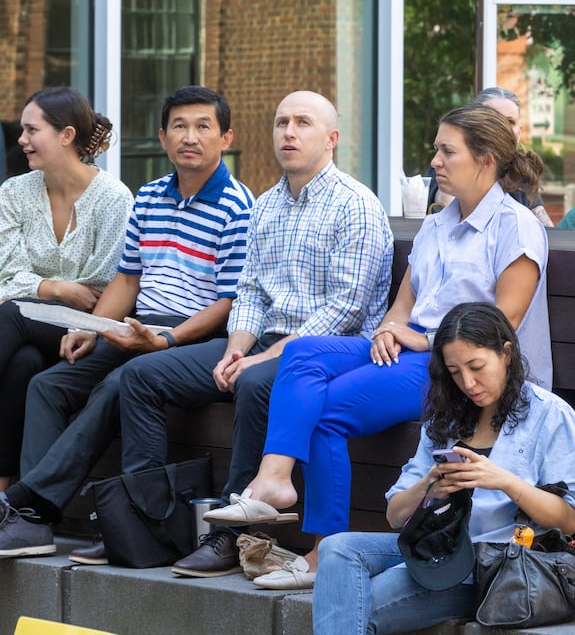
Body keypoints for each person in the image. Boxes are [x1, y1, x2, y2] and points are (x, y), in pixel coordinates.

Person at [206, 102, 550, 589]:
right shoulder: (435, 224)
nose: (434, 161)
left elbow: (502, 326)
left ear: (486, 159)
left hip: (458, 367)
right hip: (409, 353)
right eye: (436, 150)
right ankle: (274, 479)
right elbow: (403, 303)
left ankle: (325, 551)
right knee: (301, 353)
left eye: (447, 152)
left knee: (327, 413)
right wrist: (390, 329)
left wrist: (425, 339)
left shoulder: (516, 226)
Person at [111, 90, 393, 580]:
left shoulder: (356, 206)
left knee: (256, 383)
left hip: (336, 353)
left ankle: (238, 533)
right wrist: (237, 348)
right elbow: (250, 293)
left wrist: (258, 361)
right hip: (261, 345)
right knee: (140, 376)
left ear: (331, 139)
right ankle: (148, 523)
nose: (289, 132)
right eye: (282, 122)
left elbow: (344, 310)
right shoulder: (265, 206)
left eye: (303, 123)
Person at [0, 87, 254, 561]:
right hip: (134, 327)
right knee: (48, 385)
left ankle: (28, 506)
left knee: (121, 382)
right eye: (179, 126)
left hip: (194, 335)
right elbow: (128, 277)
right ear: (162, 137)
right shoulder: (151, 195)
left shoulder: (239, 207)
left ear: (226, 137)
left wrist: (164, 339)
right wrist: (92, 326)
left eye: (203, 127)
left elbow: (230, 303)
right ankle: (33, 524)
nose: (190, 137)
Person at [311, 303, 575, 634]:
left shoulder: (550, 415)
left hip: (495, 566)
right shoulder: (448, 418)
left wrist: (505, 482)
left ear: (507, 354)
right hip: (439, 550)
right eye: (455, 372)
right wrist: (428, 487)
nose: (468, 383)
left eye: (476, 366)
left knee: (351, 607)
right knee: (336, 547)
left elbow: (570, 520)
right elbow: (396, 516)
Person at [0, 87, 132, 490]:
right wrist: (58, 288)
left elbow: (103, 287)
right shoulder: (14, 192)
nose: (21, 140)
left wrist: (42, 290)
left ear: (66, 135)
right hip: (29, 327)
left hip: (90, 327)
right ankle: (7, 494)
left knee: (11, 314)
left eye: (30, 130)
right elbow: (5, 273)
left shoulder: (113, 198)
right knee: (21, 363)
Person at [428, 88, 551, 227]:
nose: (503, 129)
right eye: (494, 121)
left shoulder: (521, 175)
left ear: (520, 131)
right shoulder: (448, 167)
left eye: (510, 122)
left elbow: (547, 230)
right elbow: (447, 203)